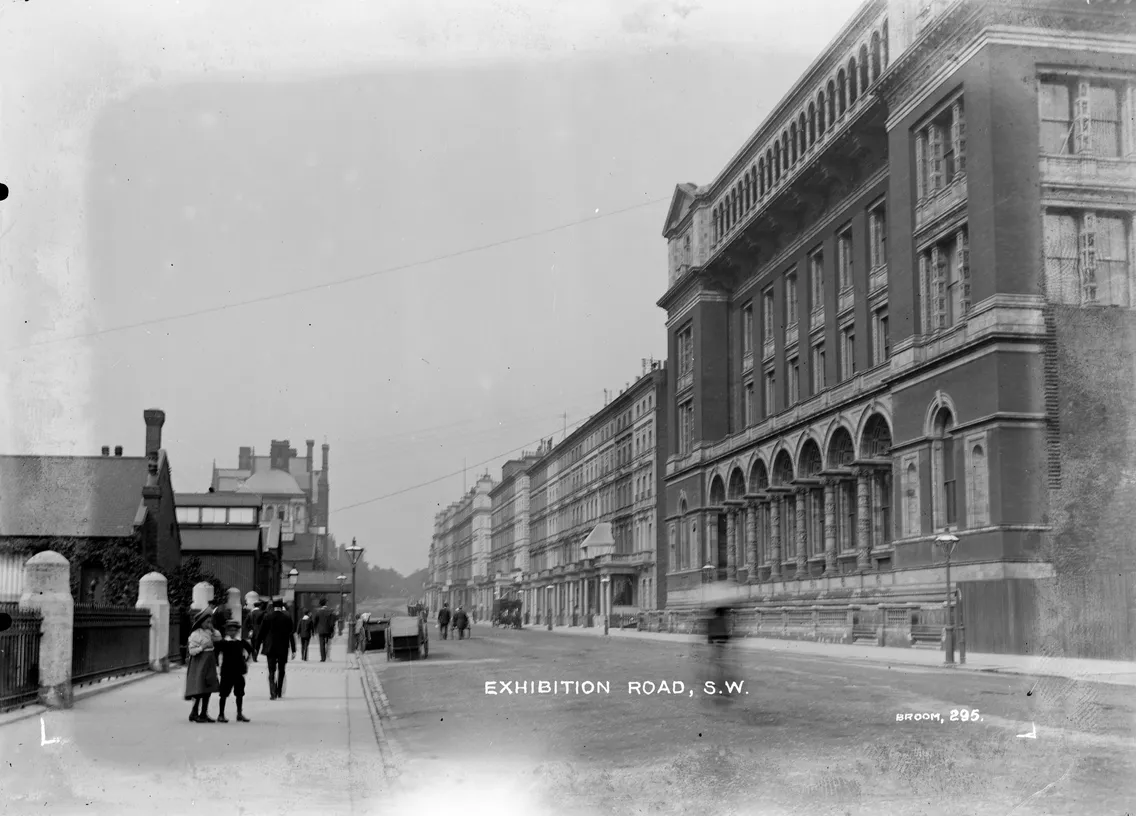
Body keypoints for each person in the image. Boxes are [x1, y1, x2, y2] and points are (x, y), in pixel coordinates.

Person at [185, 609, 221, 723]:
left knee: (208, 687)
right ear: (201, 623)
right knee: (199, 688)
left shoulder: (210, 632)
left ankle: (203, 713)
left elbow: (219, 638)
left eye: (211, 622)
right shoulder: (196, 634)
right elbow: (192, 651)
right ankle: (194, 712)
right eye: (207, 622)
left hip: (209, 663)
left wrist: (213, 629)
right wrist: (202, 647)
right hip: (200, 663)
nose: (209, 624)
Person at [257, 598, 296, 700]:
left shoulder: (267, 617)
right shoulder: (287, 618)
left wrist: (256, 647)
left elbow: (261, 633)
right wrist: (294, 649)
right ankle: (279, 691)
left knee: (271, 671)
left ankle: (272, 692)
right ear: (281, 606)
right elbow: (291, 634)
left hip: (270, 647)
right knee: (281, 670)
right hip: (283, 647)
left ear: (273, 607)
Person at [216, 619, 253, 723]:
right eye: (230, 630)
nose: (232, 632)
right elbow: (216, 653)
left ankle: (239, 713)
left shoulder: (241, 642)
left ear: (237, 631)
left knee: (239, 693)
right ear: (226, 631)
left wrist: (246, 661)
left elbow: (250, 650)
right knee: (223, 693)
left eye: (234, 630)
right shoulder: (223, 642)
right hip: (226, 671)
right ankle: (221, 714)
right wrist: (217, 665)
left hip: (238, 670)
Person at [312, 598, 336, 662]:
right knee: (328, 643)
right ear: (326, 603)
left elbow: (315, 622)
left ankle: (323, 658)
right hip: (328, 629)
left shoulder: (318, 612)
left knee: (321, 644)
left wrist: (314, 629)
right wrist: (332, 630)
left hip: (320, 630)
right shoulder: (329, 611)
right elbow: (332, 622)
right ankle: (328, 656)